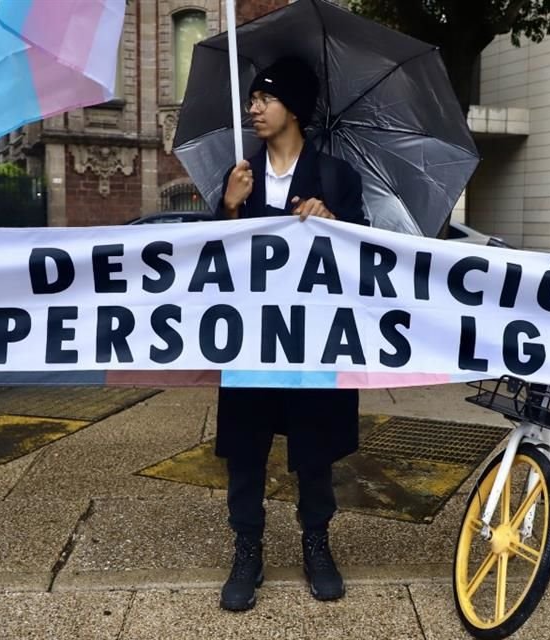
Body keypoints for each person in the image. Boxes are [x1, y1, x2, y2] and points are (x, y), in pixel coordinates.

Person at [214, 56, 367, 612]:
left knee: (314, 447)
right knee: (246, 449)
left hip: (313, 340)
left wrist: (336, 223)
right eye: (251, 98)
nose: (253, 108)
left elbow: (367, 259)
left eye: (264, 98)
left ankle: (316, 544)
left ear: (294, 108)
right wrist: (230, 208)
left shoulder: (337, 178)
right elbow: (214, 266)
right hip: (252, 338)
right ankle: (247, 549)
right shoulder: (239, 177)